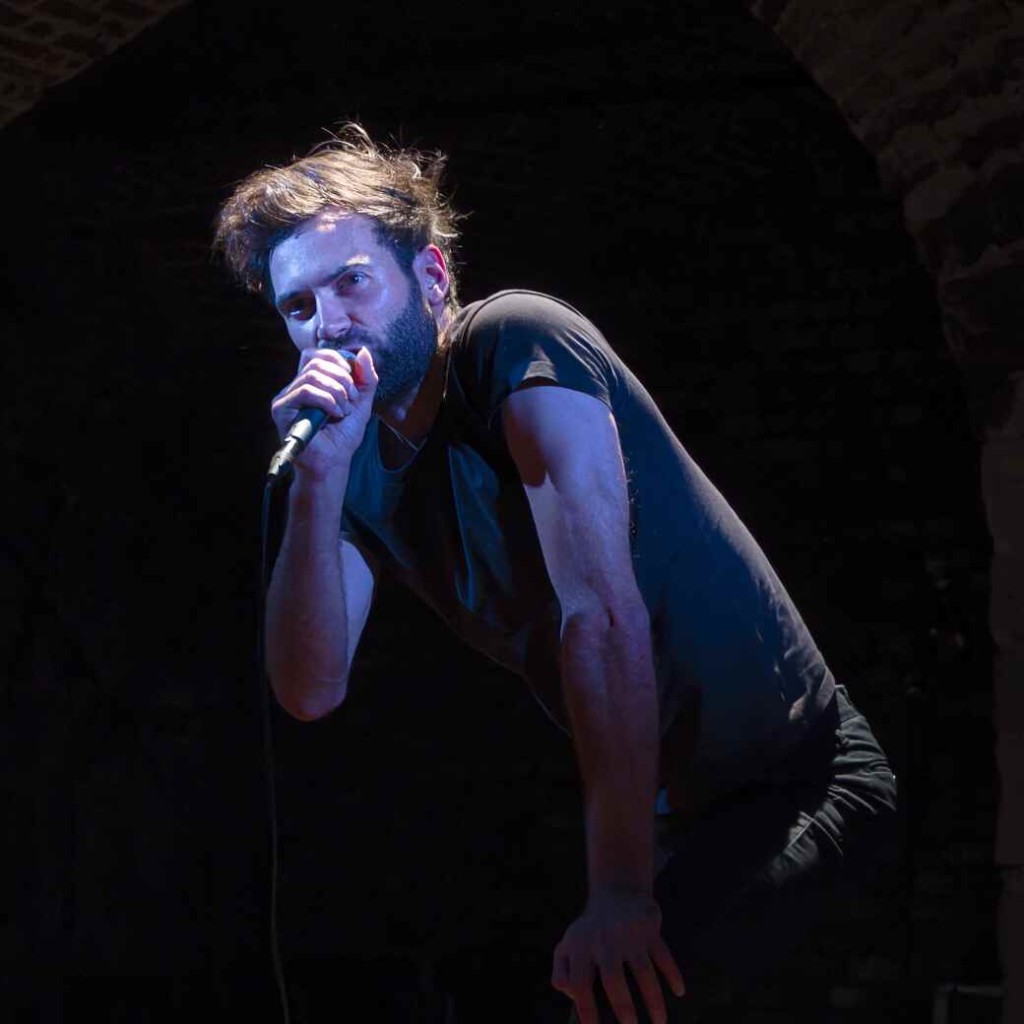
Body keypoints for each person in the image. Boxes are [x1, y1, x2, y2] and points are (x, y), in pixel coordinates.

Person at [213, 124, 898, 1023]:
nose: (327, 324)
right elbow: (310, 689)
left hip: (799, 779)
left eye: (352, 283)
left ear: (431, 277)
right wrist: (317, 481)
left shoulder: (515, 341)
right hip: (675, 819)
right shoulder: (350, 462)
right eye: (298, 307)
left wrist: (617, 893)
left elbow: (600, 612)